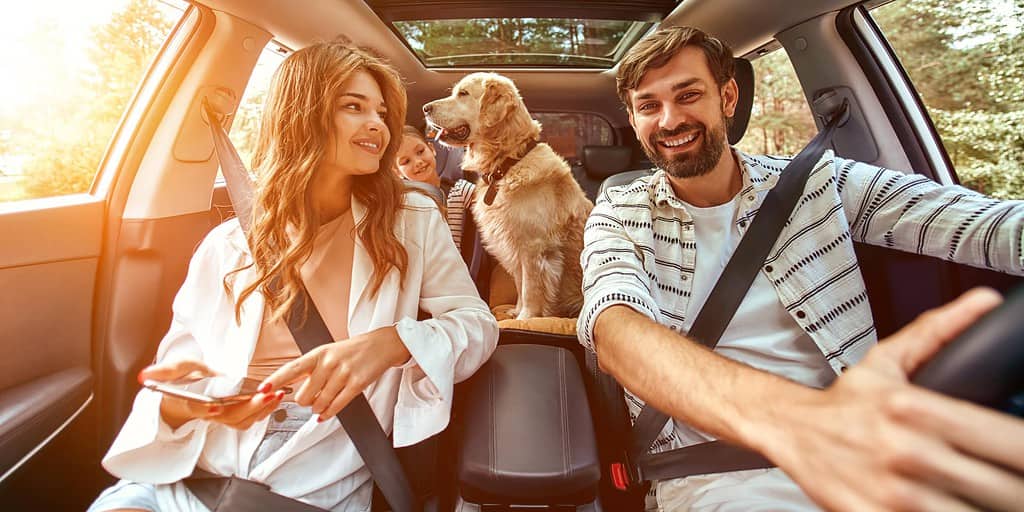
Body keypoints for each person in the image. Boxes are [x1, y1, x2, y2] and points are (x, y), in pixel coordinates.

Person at [579, 26, 1024, 511]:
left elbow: (982, 225)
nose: (670, 120)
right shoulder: (620, 213)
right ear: (633, 117)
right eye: (649, 106)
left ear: (727, 97)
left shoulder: (819, 182)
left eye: (689, 95)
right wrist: (807, 425)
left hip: (867, 448)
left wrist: (839, 431)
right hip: (714, 475)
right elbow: (615, 327)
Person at [88, 41, 498, 512]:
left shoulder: (412, 221)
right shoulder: (226, 244)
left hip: (321, 464)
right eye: (353, 106)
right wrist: (193, 402)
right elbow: (180, 375)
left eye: (381, 112)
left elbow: (478, 325)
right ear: (302, 114)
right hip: (200, 466)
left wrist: (391, 343)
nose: (377, 126)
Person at [395, 124, 477, 251]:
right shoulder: (406, 205)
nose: (418, 162)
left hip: (456, 265)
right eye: (406, 162)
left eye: (420, 152)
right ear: (398, 173)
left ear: (432, 149)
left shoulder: (458, 190)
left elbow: (491, 201)